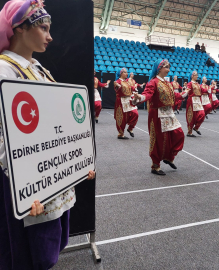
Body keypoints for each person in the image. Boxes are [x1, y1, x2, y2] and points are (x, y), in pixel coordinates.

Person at [0, 1, 95, 269]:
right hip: (25, 182)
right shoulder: (5, 70)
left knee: (52, 245)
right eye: (43, 28)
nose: (50, 36)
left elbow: (61, 122)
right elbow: (4, 139)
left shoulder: (39, 68)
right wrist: (22, 189)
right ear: (19, 28)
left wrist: (80, 164)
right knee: (26, 254)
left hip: (51, 177)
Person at [133, 59, 187, 175]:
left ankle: (169, 156)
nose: (168, 69)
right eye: (166, 67)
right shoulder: (153, 82)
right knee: (158, 140)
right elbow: (147, 94)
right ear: (159, 68)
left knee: (179, 134)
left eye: (169, 67)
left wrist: (184, 94)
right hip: (157, 114)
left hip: (169, 113)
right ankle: (155, 165)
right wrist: (140, 98)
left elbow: (174, 95)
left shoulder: (168, 83)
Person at [113, 68, 138, 139]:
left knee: (135, 113)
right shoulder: (117, 81)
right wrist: (117, 86)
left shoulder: (127, 82)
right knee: (122, 117)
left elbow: (131, 88)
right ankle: (121, 134)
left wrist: (135, 88)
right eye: (125, 72)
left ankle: (130, 128)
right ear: (121, 73)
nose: (127, 74)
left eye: (127, 72)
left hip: (129, 99)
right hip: (121, 101)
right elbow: (117, 90)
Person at [185, 70, 205, 137]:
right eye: (196, 75)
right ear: (192, 76)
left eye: (197, 75)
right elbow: (187, 90)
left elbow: (203, 90)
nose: (197, 76)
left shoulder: (198, 84)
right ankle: (189, 132)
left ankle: (196, 127)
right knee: (191, 116)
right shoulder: (190, 84)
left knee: (202, 114)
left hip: (198, 101)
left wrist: (209, 89)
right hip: (192, 100)